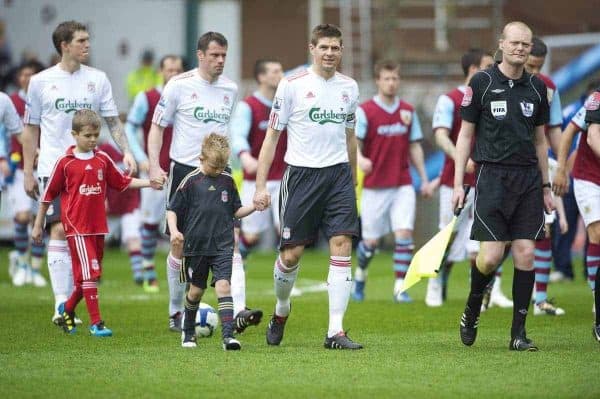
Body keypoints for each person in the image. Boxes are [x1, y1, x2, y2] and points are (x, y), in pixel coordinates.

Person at [253, 23, 362, 349]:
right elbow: (271, 137)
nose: (330, 53)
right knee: (291, 255)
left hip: (339, 176)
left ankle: (335, 331)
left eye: (335, 48)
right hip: (301, 177)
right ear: (312, 49)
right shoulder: (291, 85)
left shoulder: (350, 87)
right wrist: (261, 186)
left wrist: (353, 177)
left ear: (341, 51)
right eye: (324, 47)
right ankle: (282, 310)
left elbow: (350, 136)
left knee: (342, 243)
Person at [22, 20, 138, 324]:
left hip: (88, 172)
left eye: (88, 40)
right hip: (53, 167)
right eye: (82, 40)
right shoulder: (40, 81)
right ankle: (61, 302)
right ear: (65, 45)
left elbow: (112, 121)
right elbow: (30, 128)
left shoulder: (98, 79)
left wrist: (126, 150)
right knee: (59, 229)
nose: (88, 45)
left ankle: (73, 298)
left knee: (87, 239)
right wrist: (27, 171)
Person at [148, 32, 261, 334]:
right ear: (200, 55)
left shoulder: (230, 88)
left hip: (221, 174)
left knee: (230, 241)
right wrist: (155, 164)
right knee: (178, 243)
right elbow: (157, 127)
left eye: (224, 55)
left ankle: (238, 310)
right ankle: (175, 312)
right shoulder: (178, 86)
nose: (220, 60)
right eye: (214, 55)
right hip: (185, 171)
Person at [452, 21, 552, 351]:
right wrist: (458, 184)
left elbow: (540, 142)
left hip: (527, 180)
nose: (520, 48)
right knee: (491, 257)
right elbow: (465, 136)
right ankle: (473, 304)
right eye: (515, 43)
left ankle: (518, 334)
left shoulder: (538, 89)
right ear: (502, 44)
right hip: (491, 177)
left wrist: (547, 186)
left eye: (526, 44)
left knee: (525, 252)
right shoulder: (481, 82)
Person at [31, 110, 157, 337]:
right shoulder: (65, 163)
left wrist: (150, 183)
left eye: (95, 135)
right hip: (77, 227)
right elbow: (48, 195)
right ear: (74, 135)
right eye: (87, 135)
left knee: (91, 275)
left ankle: (68, 311)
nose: (92, 139)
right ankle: (96, 323)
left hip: (98, 227)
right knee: (89, 275)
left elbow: (122, 182)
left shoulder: (102, 159)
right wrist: (38, 224)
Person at [349, 60, 432, 304]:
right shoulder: (366, 111)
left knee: (404, 234)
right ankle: (361, 277)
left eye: (395, 78)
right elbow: (356, 144)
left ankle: (400, 288)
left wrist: (424, 179)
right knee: (371, 243)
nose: (391, 83)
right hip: (375, 187)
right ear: (378, 80)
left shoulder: (407, 111)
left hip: (402, 183)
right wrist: (361, 160)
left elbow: (415, 145)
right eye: (387, 78)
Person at [167, 133, 255, 350]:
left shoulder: (228, 181)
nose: (218, 170)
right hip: (196, 247)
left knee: (224, 287)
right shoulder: (190, 182)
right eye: (215, 166)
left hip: (222, 245)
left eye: (222, 165)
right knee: (195, 292)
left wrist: (254, 206)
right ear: (201, 158)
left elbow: (237, 210)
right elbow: (172, 210)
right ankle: (188, 333)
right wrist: (174, 231)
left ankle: (228, 337)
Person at [425, 49, 498, 307]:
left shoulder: (495, 95)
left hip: (488, 179)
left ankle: (484, 292)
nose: (494, 69)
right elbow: (441, 136)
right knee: (448, 235)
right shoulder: (450, 100)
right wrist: (461, 157)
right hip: (454, 180)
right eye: (489, 65)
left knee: (484, 238)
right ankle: (434, 284)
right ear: (473, 70)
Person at [125, 54, 184, 295]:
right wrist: (142, 158)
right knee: (149, 222)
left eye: (178, 70)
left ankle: (182, 273)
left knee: (183, 224)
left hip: (181, 169)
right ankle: (148, 271)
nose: (173, 73)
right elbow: (130, 127)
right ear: (161, 71)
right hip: (156, 168)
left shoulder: (187, 97)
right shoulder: (147, 97)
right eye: (169, 69)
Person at [523, 36, 567, 315]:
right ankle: (487, 286)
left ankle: (540, 299)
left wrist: (560, 166)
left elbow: (555, 129)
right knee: (503, 239)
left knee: (545, 229)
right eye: (531, 66)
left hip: (539, 164)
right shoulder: (498, 81)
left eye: (539, 67)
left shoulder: (548, 88)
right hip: (505, 167)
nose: (535, 72)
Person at [553, 89, 600, 342]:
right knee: (597, 234)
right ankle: (596, 294)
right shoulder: (596, 99)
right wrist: (561, 168)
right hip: (588, 178)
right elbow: (589, 137)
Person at [231, 59, 286, 261]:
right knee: (251, 236)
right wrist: (245, 157)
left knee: (287, 233)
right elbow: (237, 135)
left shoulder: (286, 105)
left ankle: (284, 280)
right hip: (255, 180)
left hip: (284, 179)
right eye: (274, 71)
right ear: (261, 77)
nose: (280, 75)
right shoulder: (248, 106)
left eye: (281, 71)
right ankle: (238, 267)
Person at [7, 61, 47, 287]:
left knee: (41, 220)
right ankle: (21, 263)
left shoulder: (45, 99)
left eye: (31, 74)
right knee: (23, 216)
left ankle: (34, 269)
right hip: (20, 167)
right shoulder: (11, 102)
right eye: (23, 74)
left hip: (44, 165)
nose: (27, 78)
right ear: (18, 78)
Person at [99, 138, 153, 290]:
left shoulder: (136, 150)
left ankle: (138, 275)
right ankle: (95, 273)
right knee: (100, 240)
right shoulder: (105, 149)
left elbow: (137, 176)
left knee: (133, 237)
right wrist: (102, 199)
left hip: (130, 201)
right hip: (111, 202)